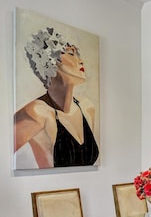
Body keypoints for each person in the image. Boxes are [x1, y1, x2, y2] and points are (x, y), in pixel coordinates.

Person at [14, 27, 99, 168]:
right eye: (72, 53)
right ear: (49, 61)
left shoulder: (87, 107)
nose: (81, 61)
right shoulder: (36, 113)